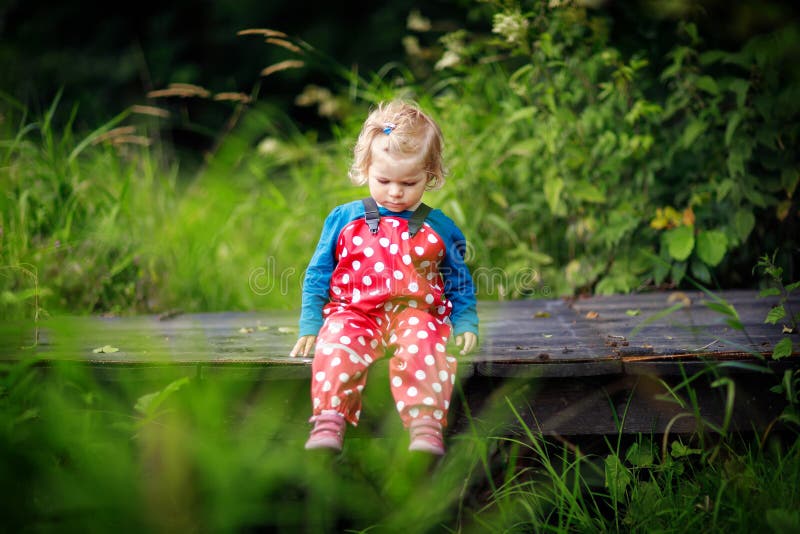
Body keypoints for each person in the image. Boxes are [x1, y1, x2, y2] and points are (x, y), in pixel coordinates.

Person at [289, 100, 478, 455]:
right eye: (384, 180)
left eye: (409, 182)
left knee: (426, 345)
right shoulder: (345, 219)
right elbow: (318, 273)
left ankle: (425, 425)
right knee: (336, 344)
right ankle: (330, 418)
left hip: (414, 315)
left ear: (430, 175)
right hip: (355, 314)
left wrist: (465, 320)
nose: (395, 192)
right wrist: (311, 323)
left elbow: (458, 280)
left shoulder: (440, 228)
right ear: (366, 169)